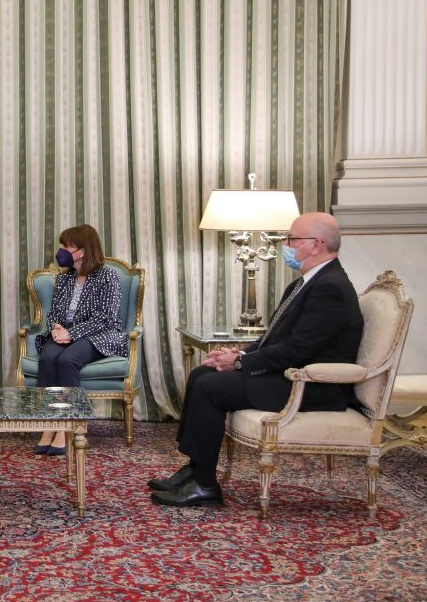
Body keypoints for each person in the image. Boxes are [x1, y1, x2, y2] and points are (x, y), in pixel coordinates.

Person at [150, 211, 364, 507]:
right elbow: (273, 338)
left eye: (292, 239)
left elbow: (297, 350)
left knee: (210, 387)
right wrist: (239, 354)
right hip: (290, 375)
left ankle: (205, 485)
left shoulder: (331, 288)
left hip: (313, 386)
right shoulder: (304, 283)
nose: (286, 245)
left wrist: (240, 365)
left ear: (316, 244)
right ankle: (195, 468)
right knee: (201, 374)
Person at [34, 224, 128, 455]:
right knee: (48, 358)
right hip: (64, 332)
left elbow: (105, 318)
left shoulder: (108, 277)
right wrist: (56, 328)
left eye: (67, 246)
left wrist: (72, 334)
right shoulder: (65, 279)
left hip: (99, 334)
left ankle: (68, 428)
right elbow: (54, 311)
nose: (62, 251)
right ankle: (50, 424)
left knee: (67, 360)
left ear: (83, 251)